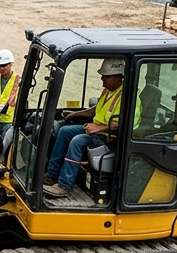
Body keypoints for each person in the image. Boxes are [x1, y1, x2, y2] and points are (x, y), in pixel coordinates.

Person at [44, 59, 126, 198]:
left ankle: (64, 185)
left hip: (110, 138)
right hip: (97, 131)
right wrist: (73, 114)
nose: (102, 78)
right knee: (64, 131)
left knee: (78, 141)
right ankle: (52, 174)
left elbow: (122, 124)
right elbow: (95, 111)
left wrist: (98, 128)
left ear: (117, 77)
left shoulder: (126, 97)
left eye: (105, 76)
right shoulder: (107, 91)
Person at [0, 49, 19, 142]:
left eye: (4, 65)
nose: (1, 68)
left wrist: (4, 107)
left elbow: (14, 96)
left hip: (8, 120)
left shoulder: (17, 80)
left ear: (11, 64)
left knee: (5, 146)